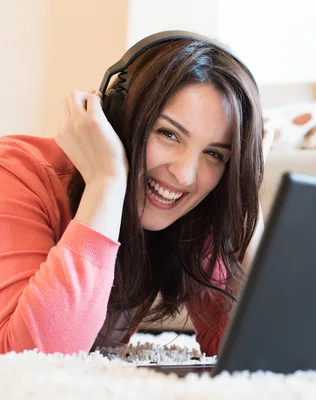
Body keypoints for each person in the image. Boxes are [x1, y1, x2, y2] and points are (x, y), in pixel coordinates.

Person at [0, 32, 273, 356]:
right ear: (116, 115)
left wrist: (242, 194)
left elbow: (254, 353)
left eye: (215, 154)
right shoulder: (17, 172)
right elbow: (27, 363)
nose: (185, 175)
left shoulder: (196, 204)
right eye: (168, 134)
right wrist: (107, 182)